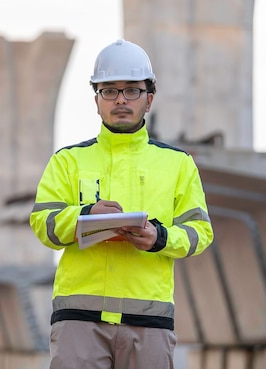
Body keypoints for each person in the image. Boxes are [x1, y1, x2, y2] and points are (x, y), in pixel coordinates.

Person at [29, 39, 214, 369]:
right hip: (79, 320)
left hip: (149, 320)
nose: (121, 100)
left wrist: (159, 238)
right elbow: (44, 223)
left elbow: (200, 232)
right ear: (96, 100)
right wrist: (86, 215)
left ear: (149, 98)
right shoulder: (67, 161)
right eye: (109, 91)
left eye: (132, 90)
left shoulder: (178, 164)